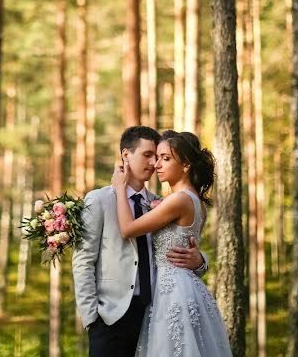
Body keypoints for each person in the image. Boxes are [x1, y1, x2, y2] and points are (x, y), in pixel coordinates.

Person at [72, 126, 209, 357]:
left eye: (159, 157)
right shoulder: (100, 200)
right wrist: (91, 317)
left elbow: (181, 246)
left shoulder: (161, 203)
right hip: (110, 318)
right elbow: (83, 260)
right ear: (126, 155)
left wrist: (200, 262)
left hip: (156, 314)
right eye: (148, 155)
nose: (154, 163)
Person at [112, 130, 232, 357]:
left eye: (165, 158)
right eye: (157, 157)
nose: (157, 164)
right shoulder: (194, 201)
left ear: (186, 164)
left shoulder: (179, 200)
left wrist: (120, 187)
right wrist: (201, 261)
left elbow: (127, 229)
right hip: (186, 286)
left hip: (172, 291)